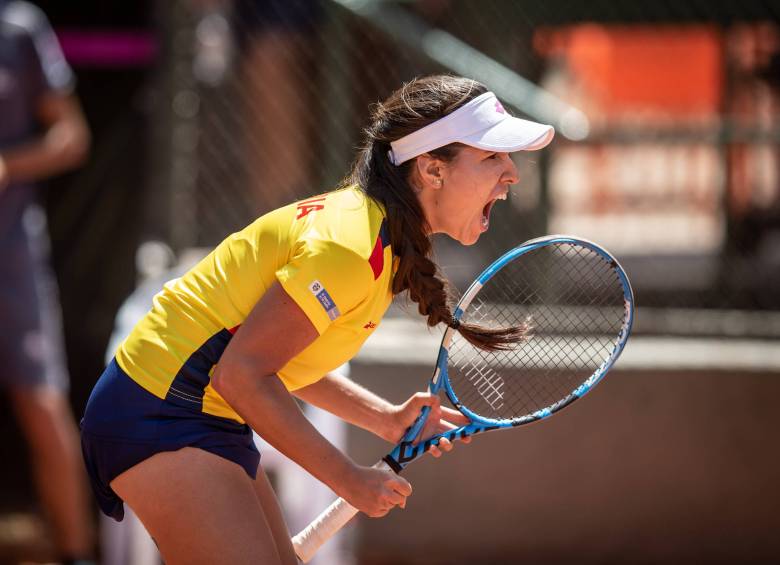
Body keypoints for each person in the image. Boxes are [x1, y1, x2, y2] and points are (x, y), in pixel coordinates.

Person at [80, 74, 554, 565]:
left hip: (203, 413)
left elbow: (274, 362)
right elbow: (244, 373)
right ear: (433, 170)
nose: (512, 174)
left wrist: (385, 420)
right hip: (159, 410)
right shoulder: (348, 246)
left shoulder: (374, 239)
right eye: (492, 157)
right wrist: (348, 478)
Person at [0, 1, 94, 563]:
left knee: (41, 403)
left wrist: (8, 165)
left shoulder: (19, 26)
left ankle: (75, 552)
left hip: (13, 255)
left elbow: (71, 136)